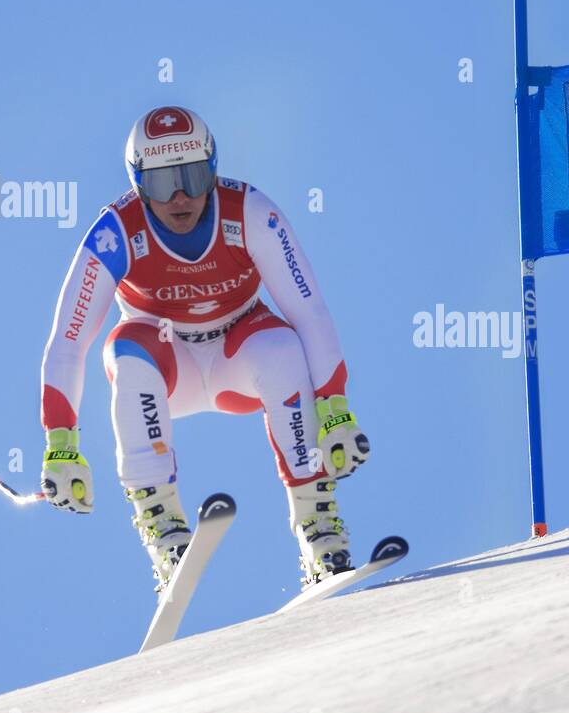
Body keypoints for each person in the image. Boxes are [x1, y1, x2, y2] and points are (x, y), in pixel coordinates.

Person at [38, 105, 369, 592]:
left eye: (193, 177)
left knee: (281, 345)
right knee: (126, 348)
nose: (179, 197)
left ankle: (319, 531)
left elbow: (309, 312)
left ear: (213, 170)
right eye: (160, 183)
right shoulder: (116, 231)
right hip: (169, 365)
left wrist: (336, 411)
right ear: (137, 185)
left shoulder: (250, 212)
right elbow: (68, 342)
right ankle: (164, 530)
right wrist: (60, 444)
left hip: (240, 355)